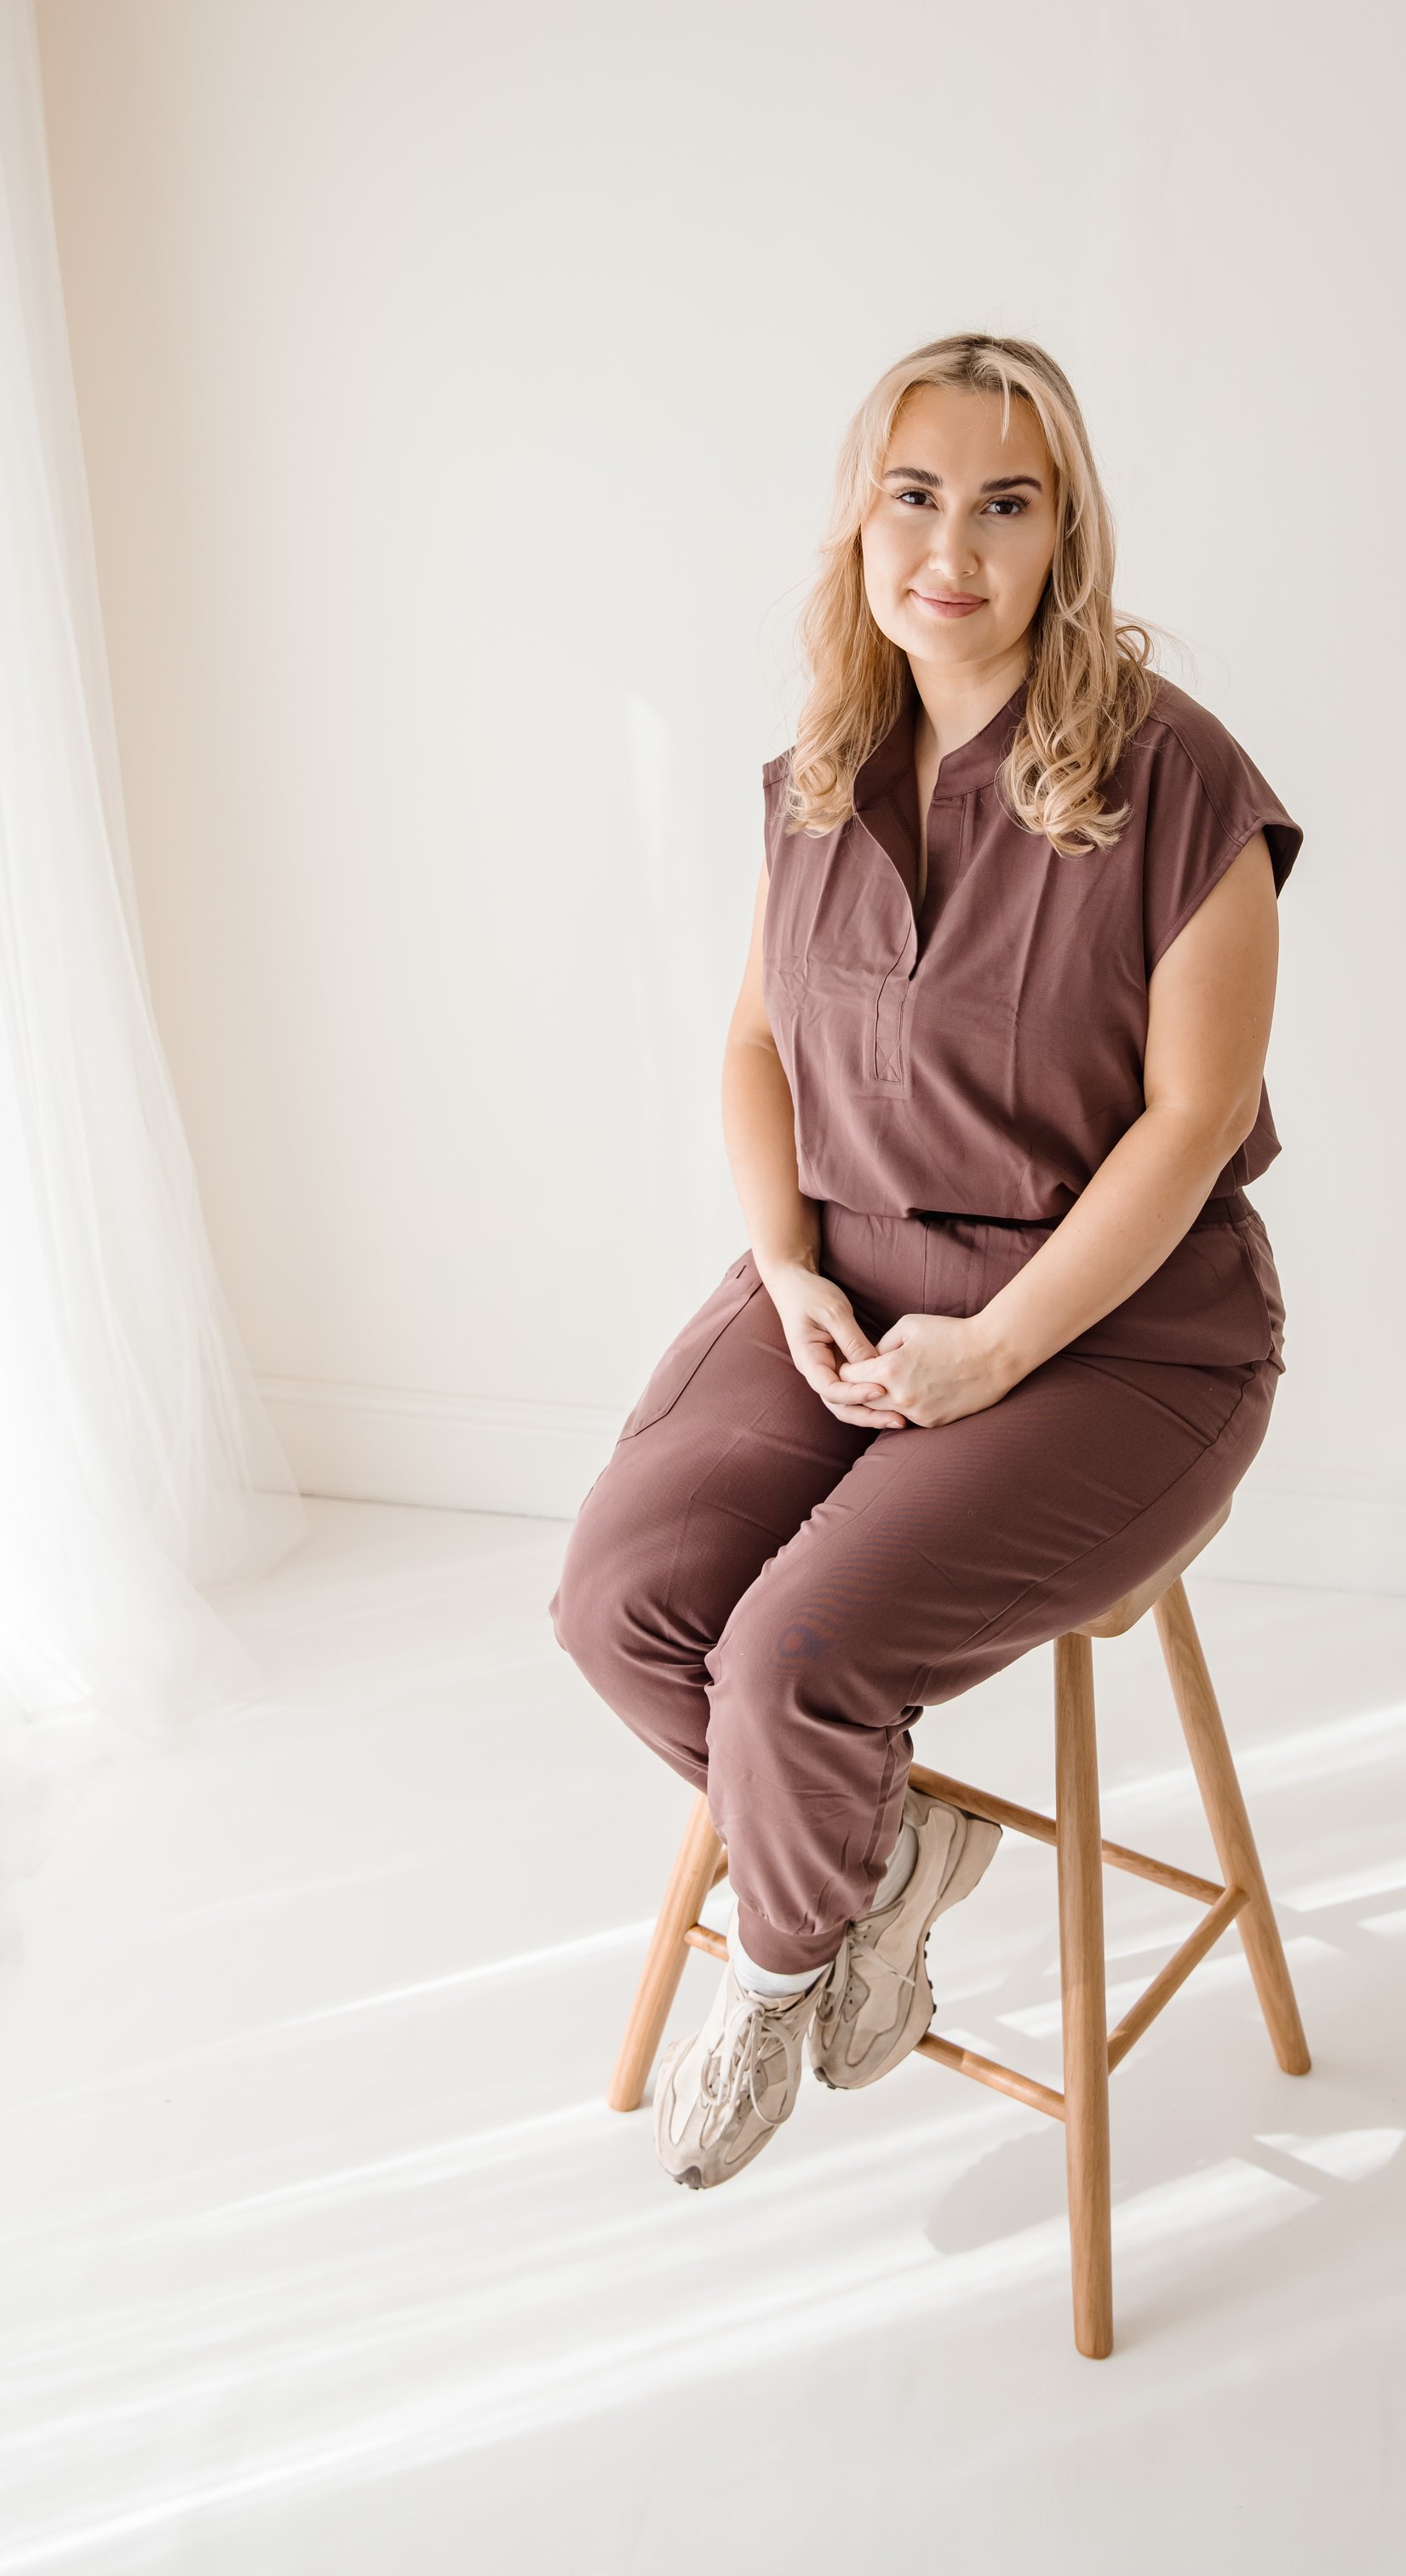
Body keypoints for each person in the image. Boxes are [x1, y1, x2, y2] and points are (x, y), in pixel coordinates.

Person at [550, 332, 1300, 2191]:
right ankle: (886, 1862)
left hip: (1117, 1331)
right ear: (857, 517)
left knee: (792, 1655)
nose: (947, 545)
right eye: (912, 492)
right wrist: (785, 1266)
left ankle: (788, 1956)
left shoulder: (1174, 780)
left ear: (1064, 536)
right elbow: (750, 1047)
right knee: (623, 1603)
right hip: (842, 1282)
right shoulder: (814, 766)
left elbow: (1190, 1121)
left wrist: (991, 1349)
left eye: (1003, 501)